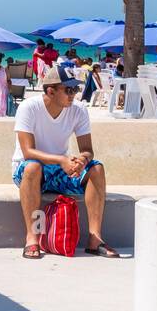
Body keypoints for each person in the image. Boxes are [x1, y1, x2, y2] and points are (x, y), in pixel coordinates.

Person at [12, 69, 118, 259]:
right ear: (51, 91)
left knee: (97, 168)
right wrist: (61, 160)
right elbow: (28, 152)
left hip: (60, 168)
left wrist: (81, 160)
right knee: (33, 167)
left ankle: (95, 239)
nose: (73, 94)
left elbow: (87, 149)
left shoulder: (78, 110)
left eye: (75, 89)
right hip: (30, 168)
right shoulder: (29, 107)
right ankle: (33, 237)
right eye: (68, 89)